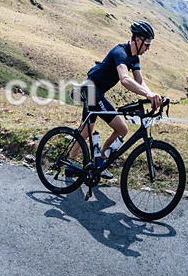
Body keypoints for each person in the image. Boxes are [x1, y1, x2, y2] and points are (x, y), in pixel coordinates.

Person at [69, 20, 162, 179]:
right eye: (147, 44)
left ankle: (73, 165)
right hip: (92, 90)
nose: (148, 48)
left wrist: (152, 94)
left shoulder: (135, 57)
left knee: (87, 131)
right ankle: (97, 162)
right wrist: (148, 95)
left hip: (96, 92)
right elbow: (124, 79)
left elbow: (139, 81)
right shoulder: (120, 53)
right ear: (137, 40)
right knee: (120, 129)